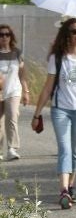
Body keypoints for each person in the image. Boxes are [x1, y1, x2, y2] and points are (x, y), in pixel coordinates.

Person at [32, 19, 76, 209]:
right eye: (74, 32)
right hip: (61, 109)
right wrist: (37, 114)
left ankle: (70, 186)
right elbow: (47, 87)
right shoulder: (58, 57)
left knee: (75, 151)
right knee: (65, 149)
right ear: (67, 34)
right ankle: (63, 190)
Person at [0, 23, 30, 161]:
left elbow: (22, 73)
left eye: (7, 34)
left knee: (12, 116)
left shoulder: (17, 53)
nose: (4, 37)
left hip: (14, 90)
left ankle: (12, 148)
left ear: (11, 37)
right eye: (1, 35)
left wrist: (26, 91)